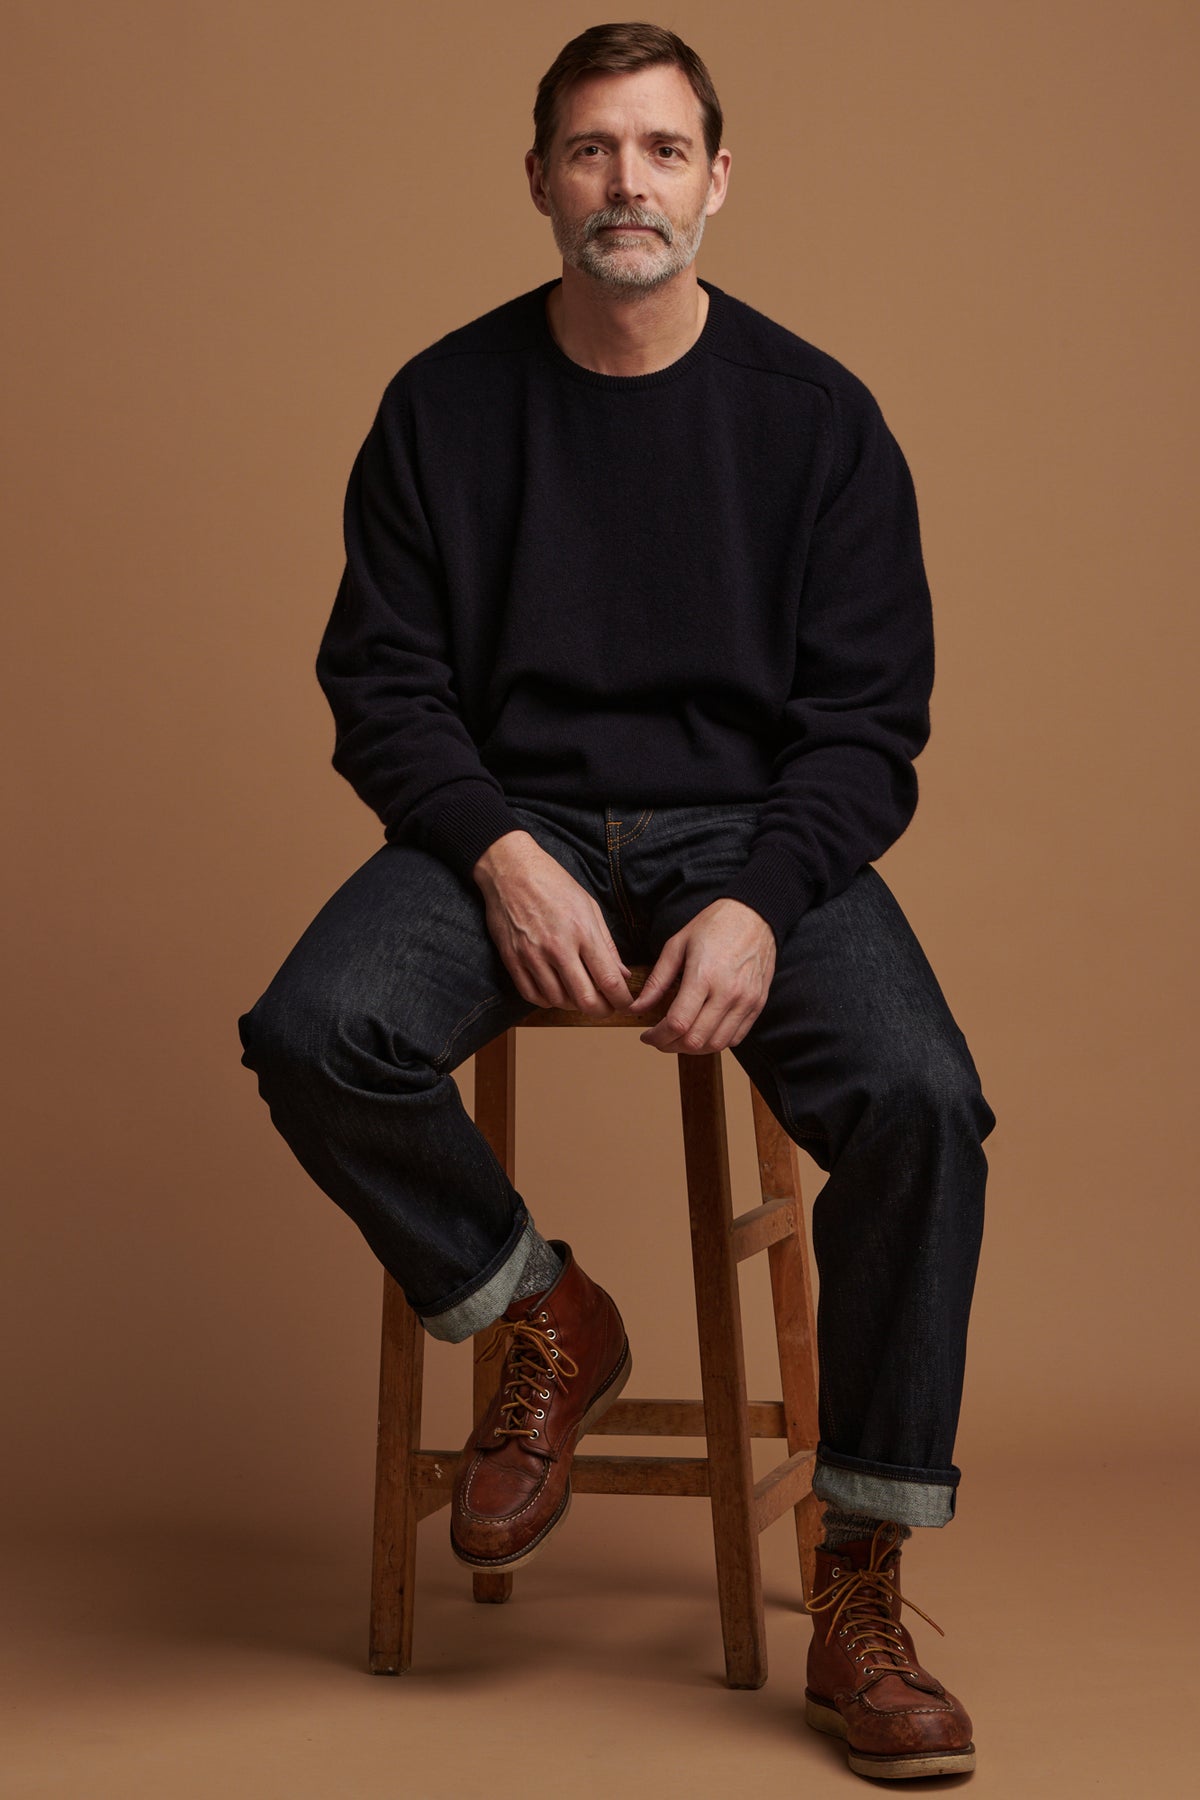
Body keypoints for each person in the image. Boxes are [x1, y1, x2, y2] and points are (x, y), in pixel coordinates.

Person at [238, 21, 995, 1783]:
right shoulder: (442, 405)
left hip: (757, 841)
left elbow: (869, 726)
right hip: (515, 825)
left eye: (661, 151)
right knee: (311, 1029)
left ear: (716, 180)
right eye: (591, 151)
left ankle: (861, 1583)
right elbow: (385, 684)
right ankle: (543, 1315)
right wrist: (495, 847)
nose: (625, 185)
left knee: (922, 1100)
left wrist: (758, 901)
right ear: (538, 181)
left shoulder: (817, 420)